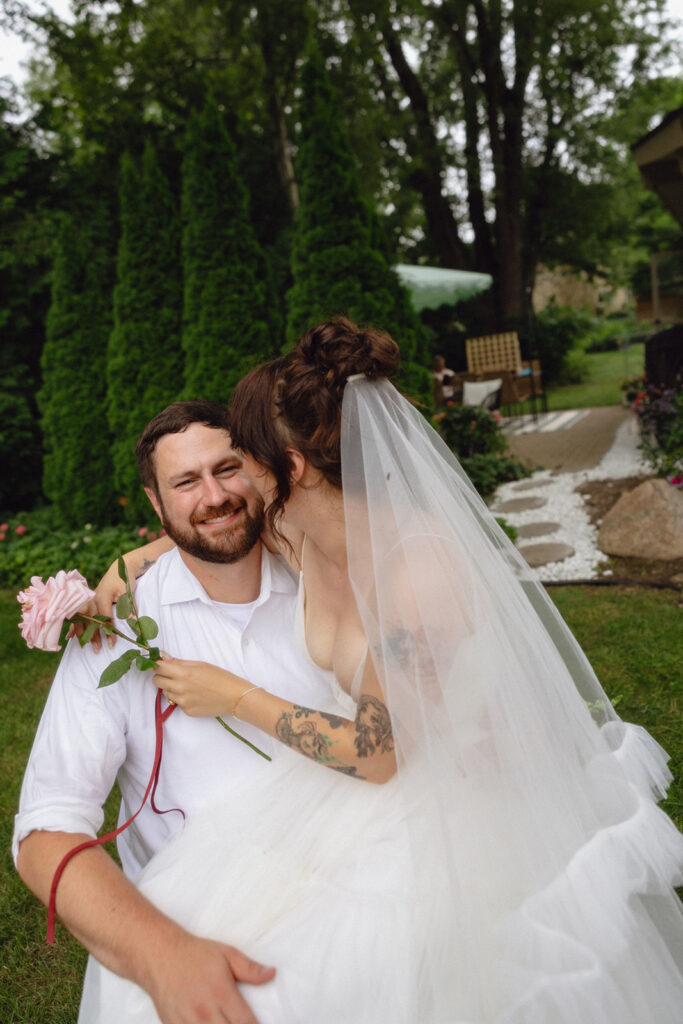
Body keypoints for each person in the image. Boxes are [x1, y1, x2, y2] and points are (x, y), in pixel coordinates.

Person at [87, 319, 683, 1023]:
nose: (235, 479)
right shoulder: (299, 527)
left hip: (454, 808)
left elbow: (378, 755)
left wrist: (236, 696)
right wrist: (128, 562)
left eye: (243, 458)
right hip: (353, 801)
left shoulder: (417, 571)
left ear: (290, 465)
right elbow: (208, 526)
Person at [13, 400, 342, 1024]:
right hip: (205, 921)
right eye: (185, 482)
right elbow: (45, 833)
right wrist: (163, 955)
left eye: (228, 469)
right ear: (155, 504)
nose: (214, 496)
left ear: (262, 469)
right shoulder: (118, 630)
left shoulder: (324, 576)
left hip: (359, 880)